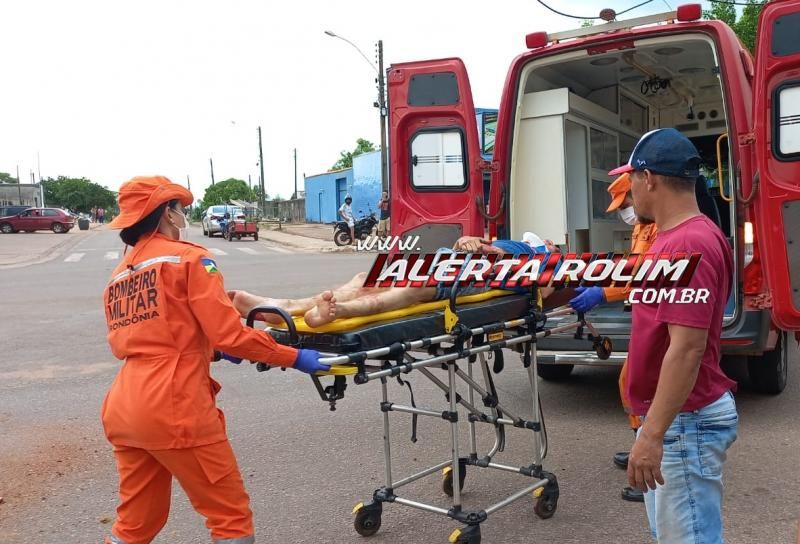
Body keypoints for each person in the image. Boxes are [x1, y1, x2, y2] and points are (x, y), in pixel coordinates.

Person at [101, 175, 329, 544]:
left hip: (126, 407)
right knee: (230, 519)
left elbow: (155, 334)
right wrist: (295, 356)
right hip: (175, 407)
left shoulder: (118, 276)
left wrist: (212, 350)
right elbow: (230, 333)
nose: (183, 215)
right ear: (166, 214)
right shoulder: (190, 259)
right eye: (179, 208)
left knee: (136, 523)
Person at [611, 129, 737, 543]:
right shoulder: (674, 239)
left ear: (649, 178)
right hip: (681, 420)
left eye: (630, 179)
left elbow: (686, 349)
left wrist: (651, 436)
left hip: (687, 421)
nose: (628, 192)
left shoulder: (687, 243)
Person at [229, 233, 557, 328]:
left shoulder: (540, 260)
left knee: (414, 289)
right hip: (445, 260)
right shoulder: (522, 246)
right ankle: (283, 306)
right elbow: (475, 243)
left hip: (458, 278)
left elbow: (540, 292)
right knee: (365, 277)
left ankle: (338, 311)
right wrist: (472, 242)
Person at [568, 172, 658, 504]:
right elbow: (631, 267)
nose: (626, 211)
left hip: (659, 318)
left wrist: (602, 293)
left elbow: (647, 276)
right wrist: (596, 278)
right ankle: (641, 448)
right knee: (631, 383)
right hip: (646, 316)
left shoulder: (663, 228)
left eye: (627, 203)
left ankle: (650, 467)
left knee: (642, 387)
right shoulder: (643, 227)